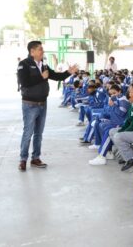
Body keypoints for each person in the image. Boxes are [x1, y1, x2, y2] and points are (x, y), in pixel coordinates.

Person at [17, 41, 78, 171]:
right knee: (28, 133)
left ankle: (35, 158)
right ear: (32, 51)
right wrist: (41, 77)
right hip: (30, 104)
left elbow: (55, 76)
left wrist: (68, 72)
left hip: (42, 104)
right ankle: (23, 159)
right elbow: (24, 82)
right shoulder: (24, 64)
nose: (42, 52)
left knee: (39, 133)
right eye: (40, 50)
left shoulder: (44, 65)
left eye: (42, 50)